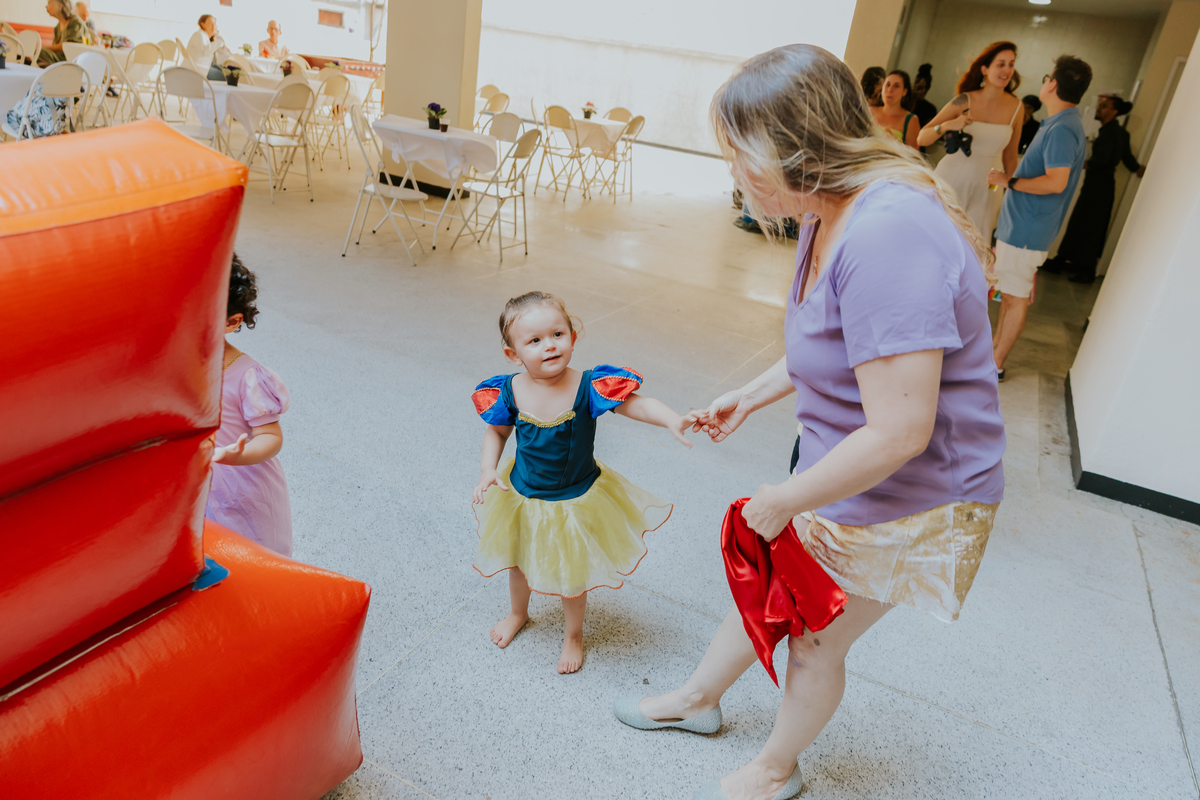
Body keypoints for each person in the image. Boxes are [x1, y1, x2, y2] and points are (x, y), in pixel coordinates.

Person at [612, 44, 1005, 800]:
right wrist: (751, 396)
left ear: (788, 152)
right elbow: (832, 343)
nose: (732, 173)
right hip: (845, 463)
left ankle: (774, 770)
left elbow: (899, 431)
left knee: (816, 633)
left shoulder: (889, 233)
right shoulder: (827, 208)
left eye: (736, 156)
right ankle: (699, 701)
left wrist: (787, 499)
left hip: (912, 493)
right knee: (770, 586)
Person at [472, 292, 690, 674]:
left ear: (574, 335)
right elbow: (497, 432)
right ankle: (518, 612)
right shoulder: (510, 389)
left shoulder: (589, 386)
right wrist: (487, 469)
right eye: (535, 340)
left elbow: (636, 404)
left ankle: (574, 633)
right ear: (514, 354)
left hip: (576, 497)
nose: (549, 345)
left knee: (573, 572)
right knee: (517, 562)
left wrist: (671, 418)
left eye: (557, 333)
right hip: (523, 493)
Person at [987, 55, 1092, 378]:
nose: (1044, 81)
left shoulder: (1063, 129)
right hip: (1020, 228)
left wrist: (1008, 181)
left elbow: (1056, 181)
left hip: (1027, 231)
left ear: (1053, 84)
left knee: (1015, 299)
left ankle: (996, 366)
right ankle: (992, 360)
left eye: (1047, 77)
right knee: (1008, 297)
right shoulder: (1060, 124)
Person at [206, 255, 293, 557]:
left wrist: (240, 455)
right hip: (195, 483)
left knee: (244, 557)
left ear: (232, 321)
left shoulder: (247, 376)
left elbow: (270, 436)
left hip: (238, 487)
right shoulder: (176, 363)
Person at [918, 41, 1023, 239]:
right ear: (985, 69)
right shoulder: (964, 100)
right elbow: (922, 136)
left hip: (988, 187)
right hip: (952, 177)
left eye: (1011, 64)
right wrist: (948, 125)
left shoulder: (1017, 107)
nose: (1007, 70)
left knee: (975, 244)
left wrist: (1010, 187)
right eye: (1001, 64)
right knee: (936, 236)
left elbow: (1010, 156)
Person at [1042, 94, 1144, 283]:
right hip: (1104, 186)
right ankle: (1067, 261)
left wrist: (1078, 163)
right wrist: (1138, 169)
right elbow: (1127, 157)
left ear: (1114, 111)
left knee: (1085, 224)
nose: (1099, 109)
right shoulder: (1120, 132)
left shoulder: (1109, 132)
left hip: (1097, 185)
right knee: (1090, 225)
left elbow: (1101, 160)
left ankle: (1079, 267)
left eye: (1104, 106)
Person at [870, 70, 918, 149]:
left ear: (904, 92)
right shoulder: (870, 111)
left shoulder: (911, 120)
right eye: (888, 85)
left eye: (896, 86)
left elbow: (914, 156)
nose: (890, 90)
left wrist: (894, 142)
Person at [37, 0, 88, 65]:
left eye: (49, 3)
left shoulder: (76, 23)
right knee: (33, 53)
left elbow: (69, 46)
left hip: (74, 63)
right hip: (59, 61)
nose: (46, 6)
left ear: (60, 6)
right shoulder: (57, 27)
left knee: (39, 52)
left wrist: (44, 47)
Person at [188, 14, 231, 81]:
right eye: (211, 24)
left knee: (226, 69)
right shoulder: (199, 34)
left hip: (205, 67)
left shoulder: (207, 37)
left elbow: (224, 52)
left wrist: (217, 37)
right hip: (198, 69)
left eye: (215, 24)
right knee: (227, 76)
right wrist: (220, 43)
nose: (214, 26)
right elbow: (205, 51)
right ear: (202, 24)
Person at [911, 63, 938, 130]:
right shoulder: (905, 102)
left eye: (924, 88)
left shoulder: (930, 109)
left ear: (928, 88)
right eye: (919, 88)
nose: (921, 92)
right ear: (914, 84)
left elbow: (928, 130)